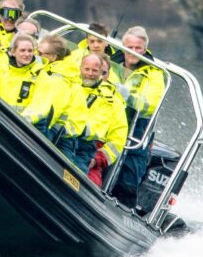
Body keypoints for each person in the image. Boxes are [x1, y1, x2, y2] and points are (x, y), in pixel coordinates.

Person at [24, 52, 127, 186]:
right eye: (87, 69)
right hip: (60, 135)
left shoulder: (110, 101)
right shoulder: (70, 85)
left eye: (95, 70)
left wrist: (97, 159)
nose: (90, 73)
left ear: (102, 73)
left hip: (84, 147)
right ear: (80, 68)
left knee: (73, 181)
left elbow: (111, 137)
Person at [110, 26, 166, 205]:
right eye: (130, 47)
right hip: (108, 119)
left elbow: (151, 105)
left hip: (136, 125)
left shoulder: (154, 73)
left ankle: (125, 203)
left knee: (130, 170)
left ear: (145, 49)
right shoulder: (110, 63)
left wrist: (130, 98)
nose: (133, 52)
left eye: (138, 48)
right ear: (123, 46)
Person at [0, 31, 40, 108]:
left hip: (18, 120)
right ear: (13, 52)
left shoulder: (39, 74)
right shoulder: (1, 69)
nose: (27, 54)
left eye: (30, 51)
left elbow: (39, 105)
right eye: (22, 50)